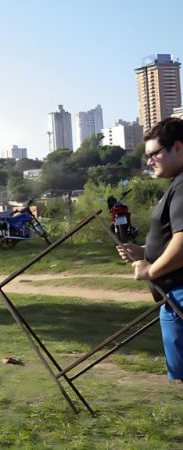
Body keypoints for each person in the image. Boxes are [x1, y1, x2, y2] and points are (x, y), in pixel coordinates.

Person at [117, 117, 183, 382]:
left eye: (154, 153)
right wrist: (145, 250)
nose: (149, 161)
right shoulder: (177, 184)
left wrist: (151, 269)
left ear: (178, 147)